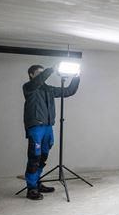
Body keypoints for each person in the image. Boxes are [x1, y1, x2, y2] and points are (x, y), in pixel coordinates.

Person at [22, 64, 80, 200]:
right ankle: (31, 189)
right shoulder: (29, 87)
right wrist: (52, 69)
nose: (42, 75)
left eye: (43, 72)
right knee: (34, 157)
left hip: (48, 127)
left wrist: (77, 76)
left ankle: (37, 182)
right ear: (31, 75)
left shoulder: (48, 90)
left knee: (43, 157)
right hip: (36, 127)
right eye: (39, 73)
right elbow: (38, 81)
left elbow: (69, 91)